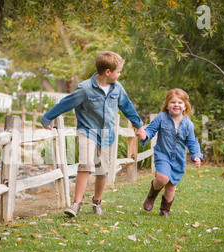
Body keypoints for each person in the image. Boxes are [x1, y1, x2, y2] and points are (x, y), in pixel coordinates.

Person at [40, 51, 147, 217]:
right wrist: (47, 118)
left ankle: (96, 202)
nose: (119, 74)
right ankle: (76, 204)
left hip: (107, 135)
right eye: (118, 71)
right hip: (87, 131)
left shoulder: (117, 88)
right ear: (108, 72)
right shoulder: (85, 89)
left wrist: (139, 126)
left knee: (102, 171)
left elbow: (127, 106)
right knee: (86, 165)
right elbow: (66, 104)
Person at [140, 88, 203, 217]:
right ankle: (152, 194)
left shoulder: (188, 125)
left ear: (185, 106)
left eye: (180, 102)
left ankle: (165, 210)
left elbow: (192, 142)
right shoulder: (161, 117)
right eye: (173, 102)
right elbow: (151, 130)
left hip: (178, 158)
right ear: (167, 105)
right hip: (163, 154)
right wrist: (145, 135)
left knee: (171, 185)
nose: (176, 105)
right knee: (163, 178)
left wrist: (196, 155)